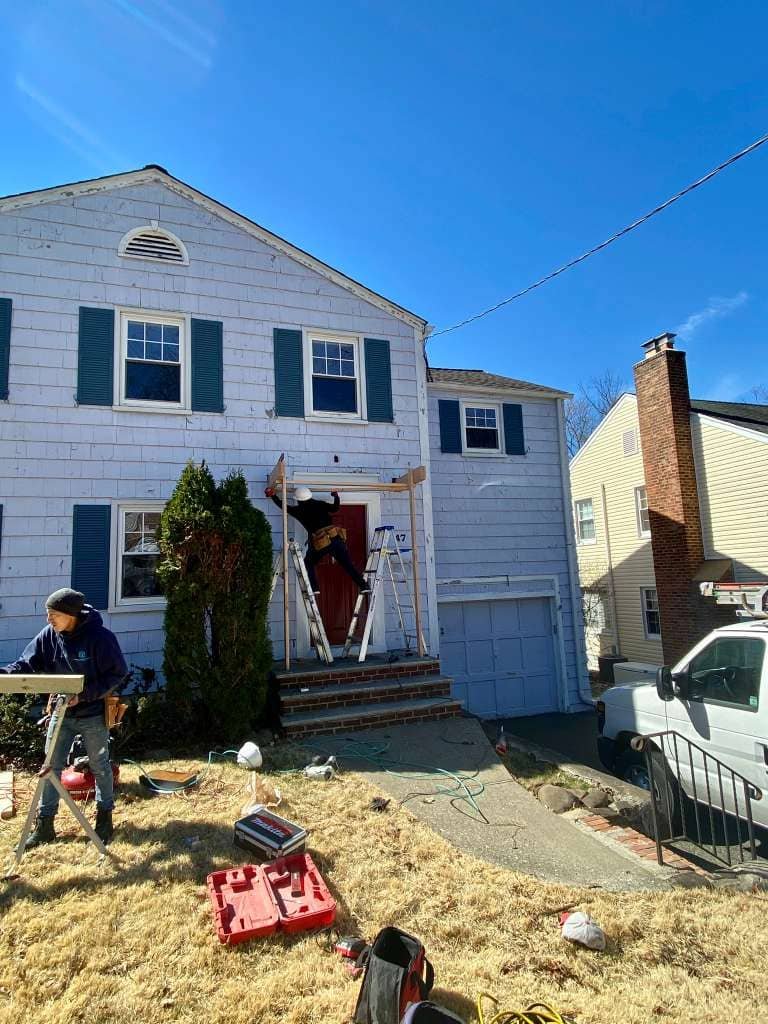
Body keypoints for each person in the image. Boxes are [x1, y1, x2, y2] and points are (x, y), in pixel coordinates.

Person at [0, 588, 127, 848]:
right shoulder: (49, 636)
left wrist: (84, 695)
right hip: (60, 713)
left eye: (54, 614)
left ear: (71, 615)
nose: (49, 620)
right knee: (50, 768)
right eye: (47, 614)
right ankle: (45, 826)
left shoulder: (99, 638)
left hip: (91, 714)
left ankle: (104, 819)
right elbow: (26, 663)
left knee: (99, 765)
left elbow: (117, 673)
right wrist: (4, 674)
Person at [265, 485, 369, 594]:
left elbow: (284, 506)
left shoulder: (298, 510)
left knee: (308, 563)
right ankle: (364, 585)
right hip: (335, 539)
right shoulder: (320, 504)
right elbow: (335, 508)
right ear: (309, 496)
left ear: (298, 500)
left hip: (321, 541)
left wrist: (273, 496)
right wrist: (336, 496)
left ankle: (314, 588)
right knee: (348, 565)